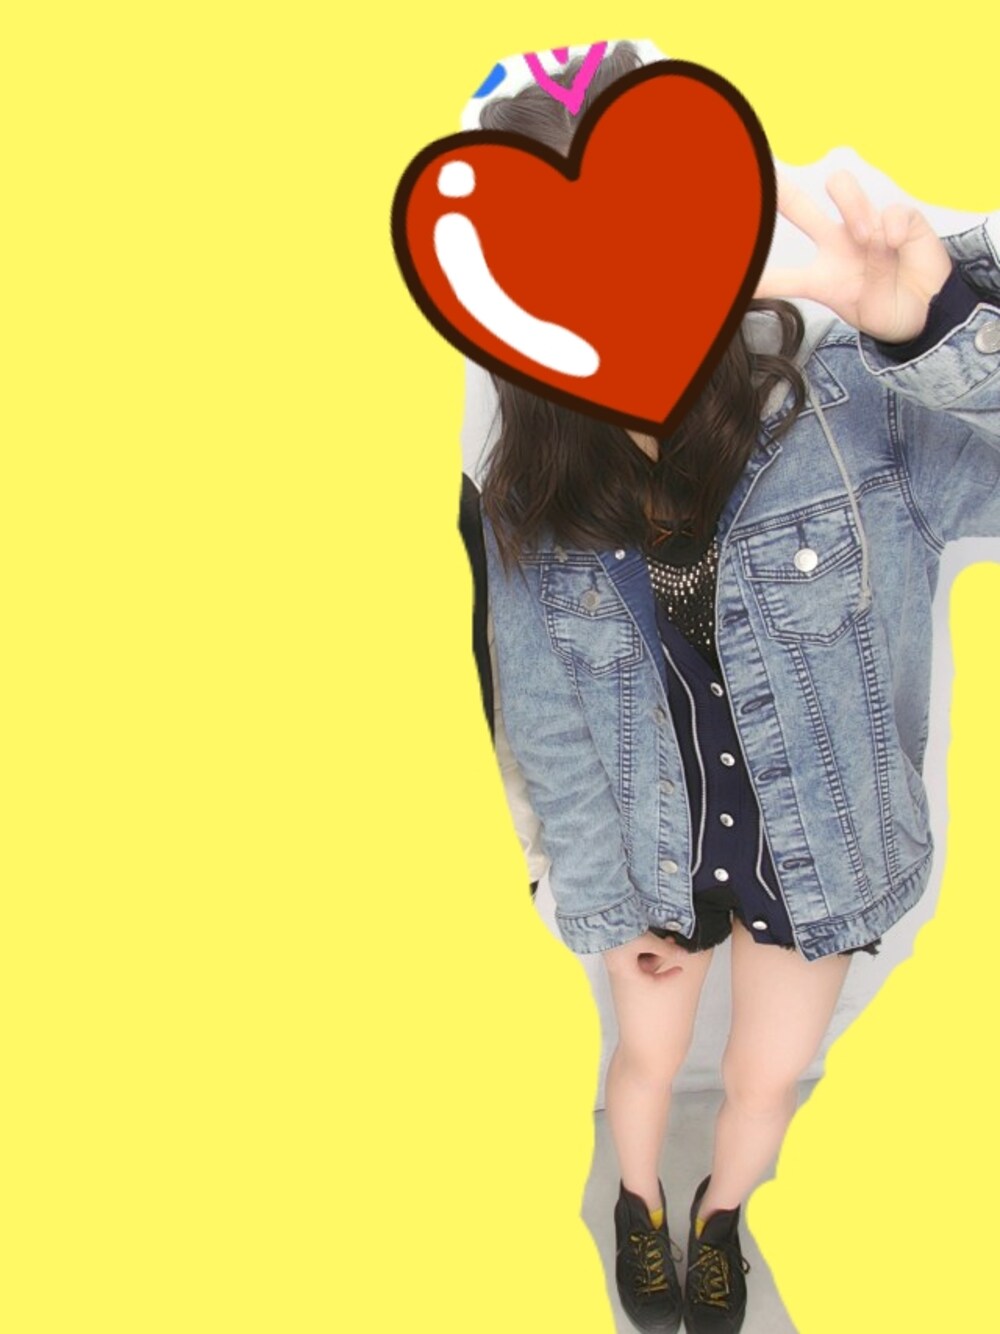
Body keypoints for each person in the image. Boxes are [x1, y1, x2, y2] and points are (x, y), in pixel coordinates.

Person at [477, 42, 1000, 1334]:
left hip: (821, 851)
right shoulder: (527, 493)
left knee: (763, 1079)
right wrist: (607, 899)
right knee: (648, 1063)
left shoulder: (858, 407)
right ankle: (636, 1206)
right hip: (651, 857)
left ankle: (721, 1222)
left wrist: (932, 311)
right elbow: (544, 720)